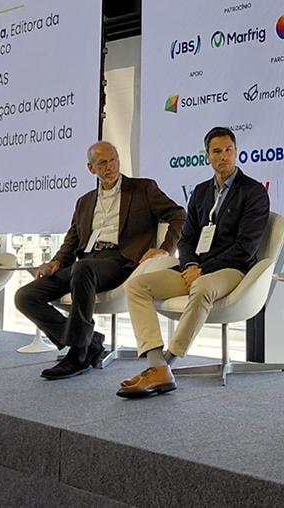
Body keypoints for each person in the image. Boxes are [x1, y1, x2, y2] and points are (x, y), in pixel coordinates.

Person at [116, 126, 269, 398]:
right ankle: (155, 363)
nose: (223, 156)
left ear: (236, 152)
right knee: (137, 286)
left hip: (232, 270)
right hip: (194, 269)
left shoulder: (254, 192)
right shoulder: (200, 192)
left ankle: (166, 364)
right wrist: (189, 266)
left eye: (228, 150)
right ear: (207, 156)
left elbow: (245, 248)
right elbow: (186, 239)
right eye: (217, 151)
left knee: (202, 287)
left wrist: (203, 270)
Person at [15, 141, 186, 380]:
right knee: (25, 296)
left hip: (120, 261)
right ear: (91, 168)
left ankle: (78, 354)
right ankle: (90, 340)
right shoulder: (84, 202)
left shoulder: (143, 188)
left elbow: (178, 214)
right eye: (103, 162)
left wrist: (165, 249)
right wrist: (57, 260)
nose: (111, 166)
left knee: (83, 268)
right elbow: (72, 240)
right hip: (85, 263)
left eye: (113, 159)